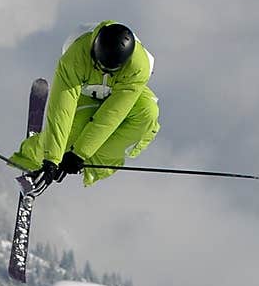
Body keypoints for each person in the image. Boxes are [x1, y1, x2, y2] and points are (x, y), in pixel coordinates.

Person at [9, 21, 159, 188]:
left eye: (110, 69)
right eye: (99, 65)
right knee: (70, 134)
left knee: (148, 112)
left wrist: (79, 155)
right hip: (85, 92)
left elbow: (113, 113)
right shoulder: (74, 58)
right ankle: (33, 157)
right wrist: (51, 159)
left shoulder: (139, 67)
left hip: (117, 93)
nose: (103, 71)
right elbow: (62, 110)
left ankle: (90, 164)